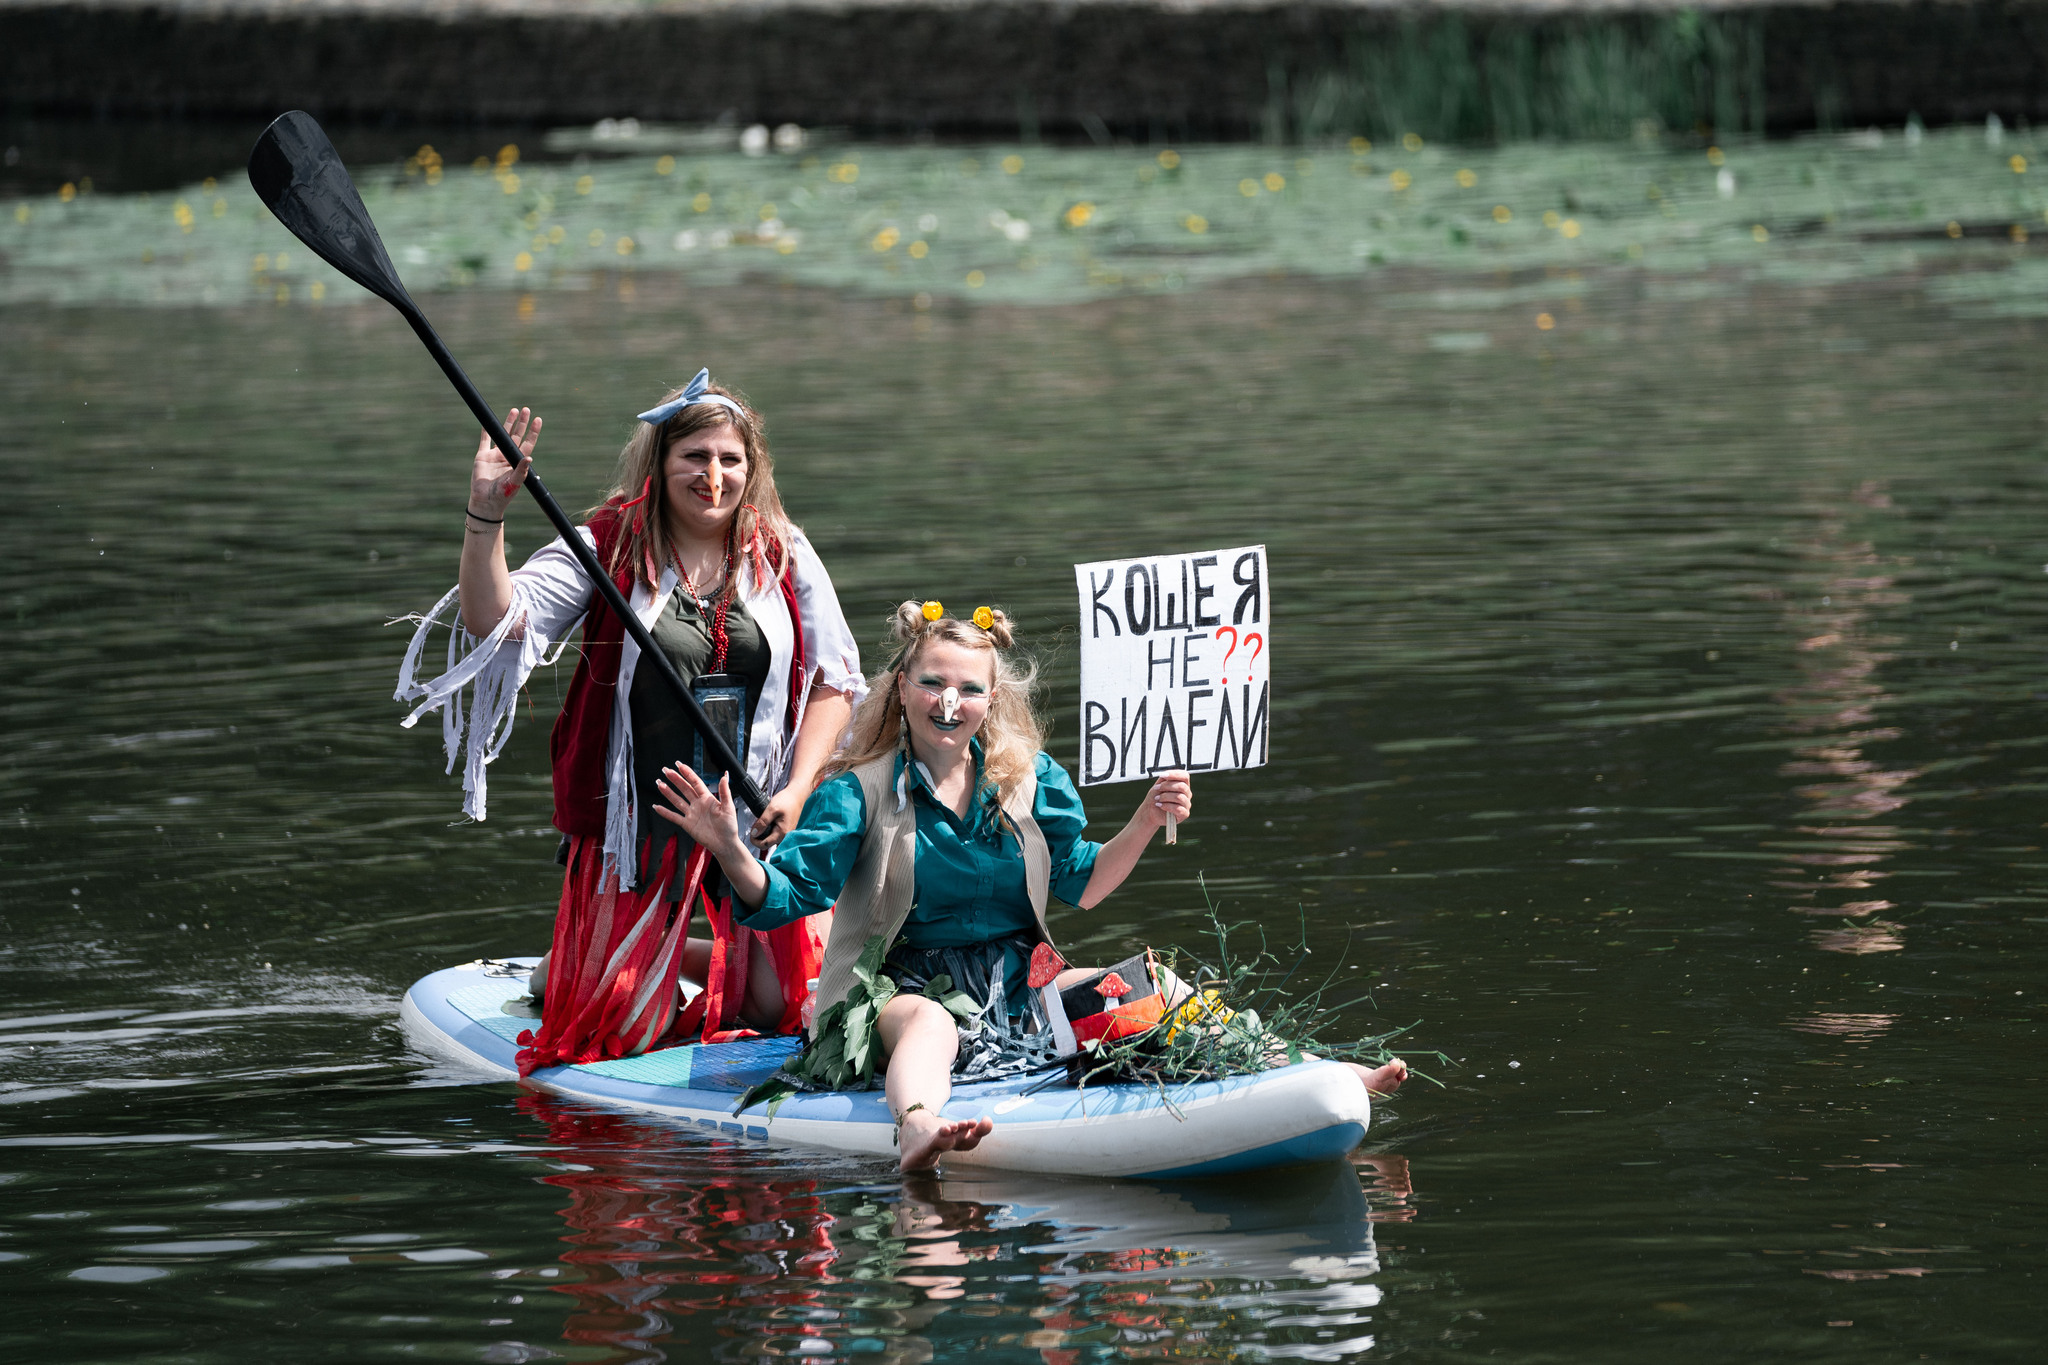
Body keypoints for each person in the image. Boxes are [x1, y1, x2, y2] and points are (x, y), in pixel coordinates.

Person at [654, 601, 1407, 1172]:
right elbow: (786, 896)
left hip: (1020, 980)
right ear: (903, 691)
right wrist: (730, 848)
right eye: (933, 683)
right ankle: (917, 1123)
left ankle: (1312, 1069)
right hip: (899, 987)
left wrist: (1145, 818)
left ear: (991, 699)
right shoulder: (857, 791)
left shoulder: (1029, 781)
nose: (950, 701)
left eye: (968, 689)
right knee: (931, 1027)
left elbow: (1084, 884)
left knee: (1154, 985)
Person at [395, 370, 866, 1073]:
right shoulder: (606, 544)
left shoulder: (782, 550)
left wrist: (797, 791)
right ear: (660, 461)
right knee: (620, 1023)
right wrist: (486, 516)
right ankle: (571, 968)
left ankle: (678, 951)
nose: (713, 476)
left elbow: (836, 679)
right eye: (694, 457)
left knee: (785, 1005)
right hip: (640, 824)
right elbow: (496, 621)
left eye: (729, 459)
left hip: (752, 816)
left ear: (752, 466)